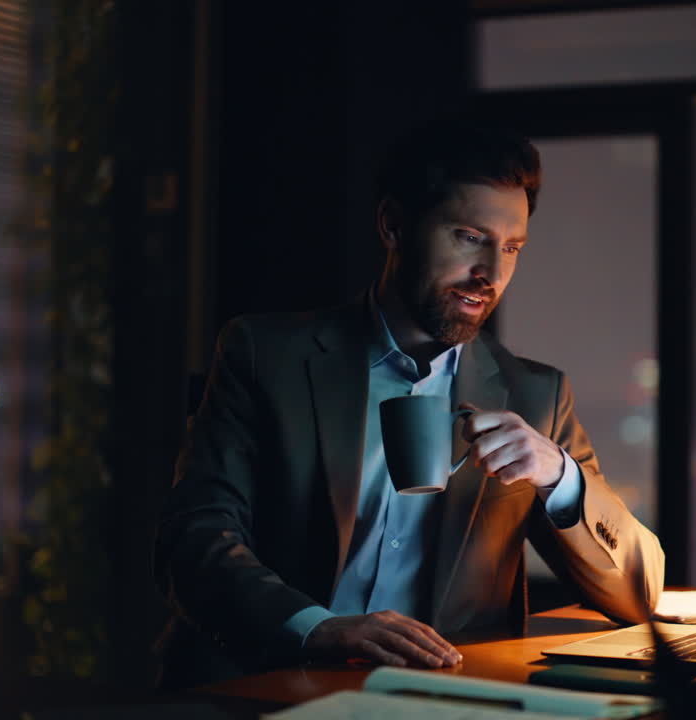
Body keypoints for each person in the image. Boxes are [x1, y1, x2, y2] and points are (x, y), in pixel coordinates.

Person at [152, 121, 664, 690]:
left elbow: (639, 594)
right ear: (393, 226)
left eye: (512, 248)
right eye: (470, 237)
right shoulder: (265, 356)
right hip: (268, 683)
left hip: (440, 699)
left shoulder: (536, 397)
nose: (491, 275)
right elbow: (193, 540)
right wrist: (317, 628)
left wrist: (559, 476)